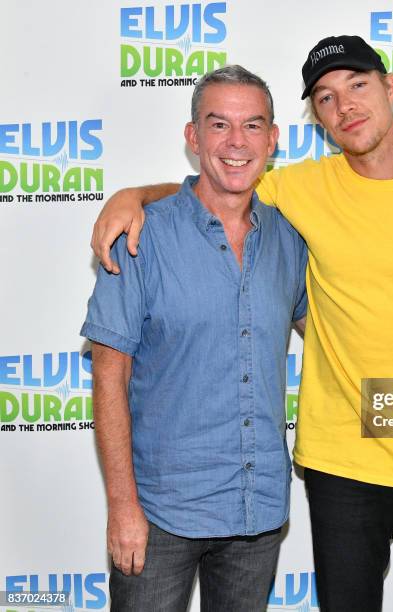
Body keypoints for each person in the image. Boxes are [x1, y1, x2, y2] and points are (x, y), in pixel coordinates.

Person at [91, 36, 393, 612]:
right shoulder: (297, 189)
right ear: (315, 118)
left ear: (391, 88)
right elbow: (214, 188)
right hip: (340, 465)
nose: (344, 105)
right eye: (325, 97)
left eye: (358, 86)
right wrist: (131, 195)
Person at [80, 65, 307, 612]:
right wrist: (123, 507)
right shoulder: (141, 234)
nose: (236, 142)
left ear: (273, 139)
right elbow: (110, 376)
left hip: (257, 510)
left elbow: (335, 328)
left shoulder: (291, 237)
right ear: (193, 136)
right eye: (219, 124)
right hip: (161, 516)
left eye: (253, 126)